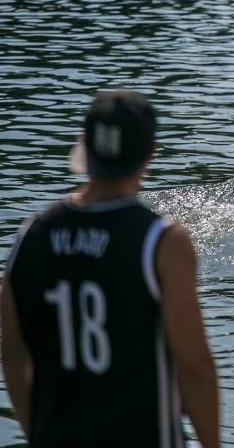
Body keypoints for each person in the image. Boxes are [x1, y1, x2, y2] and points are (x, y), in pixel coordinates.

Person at [1, 90, 220, 448]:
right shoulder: (162, 240)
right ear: (149, 155)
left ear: (84, 147)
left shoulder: (32, 233)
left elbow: (12, 352)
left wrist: (38, 434)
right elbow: (194, 366)